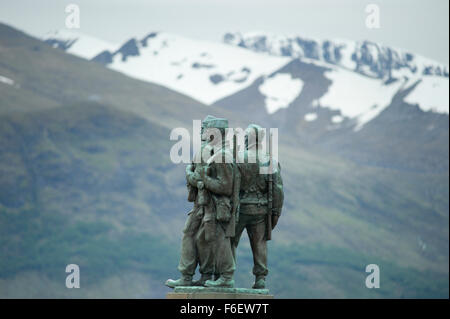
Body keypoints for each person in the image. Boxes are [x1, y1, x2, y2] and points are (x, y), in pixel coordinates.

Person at [232, 124, 284, 289]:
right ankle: (260, 278)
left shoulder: (238, 157)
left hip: (240, 209)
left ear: (248, 139)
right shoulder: (270, 160)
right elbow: (277, 189)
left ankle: (226, 275)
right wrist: (276, 212)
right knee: (260, 243)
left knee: (231, 242)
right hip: (261, 210)